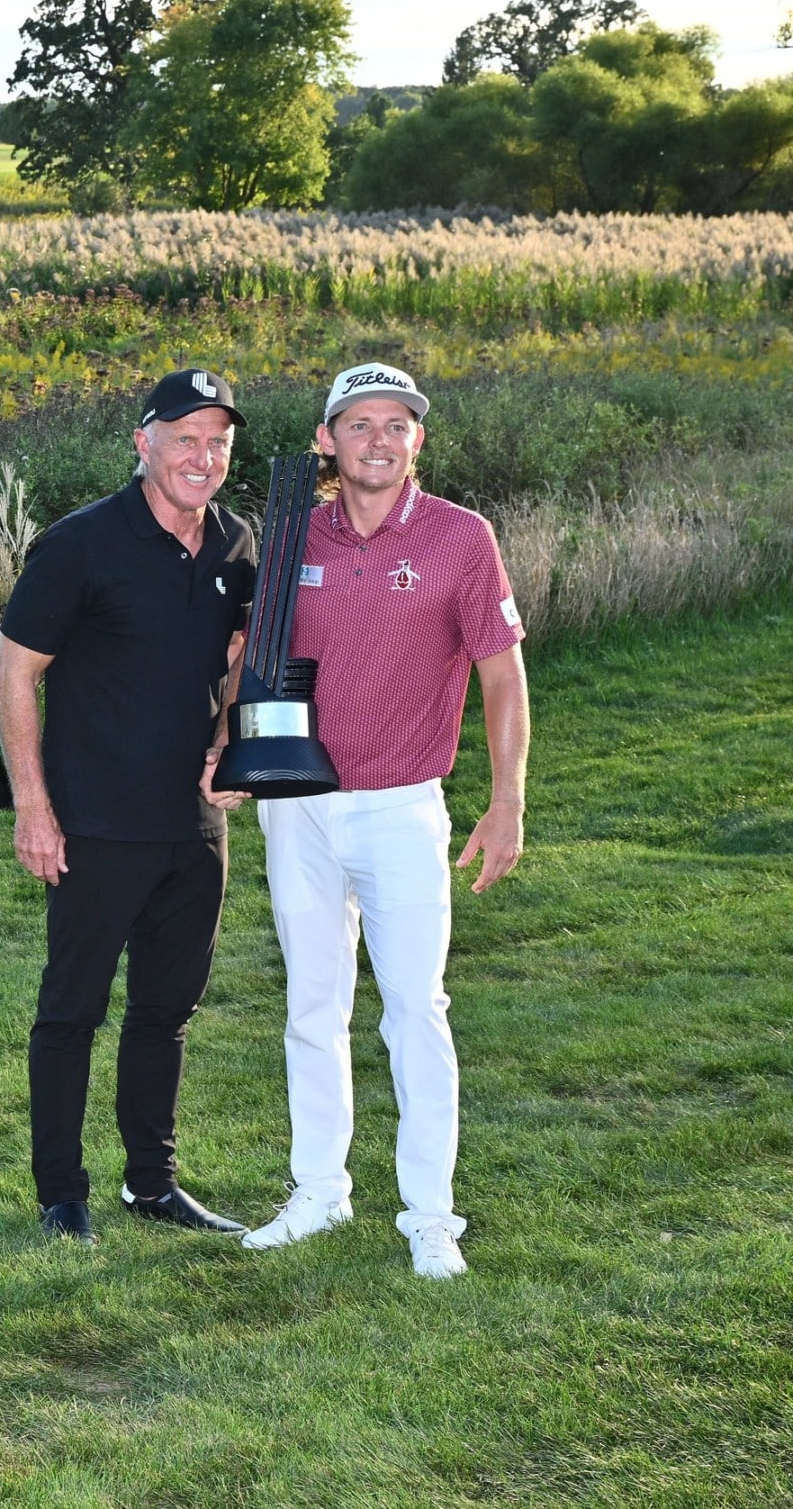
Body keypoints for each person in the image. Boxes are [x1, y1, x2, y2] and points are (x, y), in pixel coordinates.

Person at [234, 363, 529, 1279]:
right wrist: (226, 746)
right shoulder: (291, 534)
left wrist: (509, 796)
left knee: (416, 1010)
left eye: (395, 424)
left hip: (405, 806)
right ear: (328, 440)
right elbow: (255, 656)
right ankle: (319, 1189)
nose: (377, 440)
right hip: (301, 807)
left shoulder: (460, 539)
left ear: (417, 441)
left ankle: (430, 1215)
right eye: (358, 424)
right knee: (311, 1004)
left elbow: (503, 676)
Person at [0, 369, 259, 1243]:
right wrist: (34, 806)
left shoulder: (236, 545)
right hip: (94, 825)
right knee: (72, 1009)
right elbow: (15, 670)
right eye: (184, 437)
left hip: (194, 828)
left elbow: (231, 662)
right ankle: (60, 1194)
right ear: (142, 443)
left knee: (166, 1011)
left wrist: (230, 736)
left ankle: (152, 1184)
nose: (203, 455)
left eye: (217, 440)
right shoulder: (81, 544)